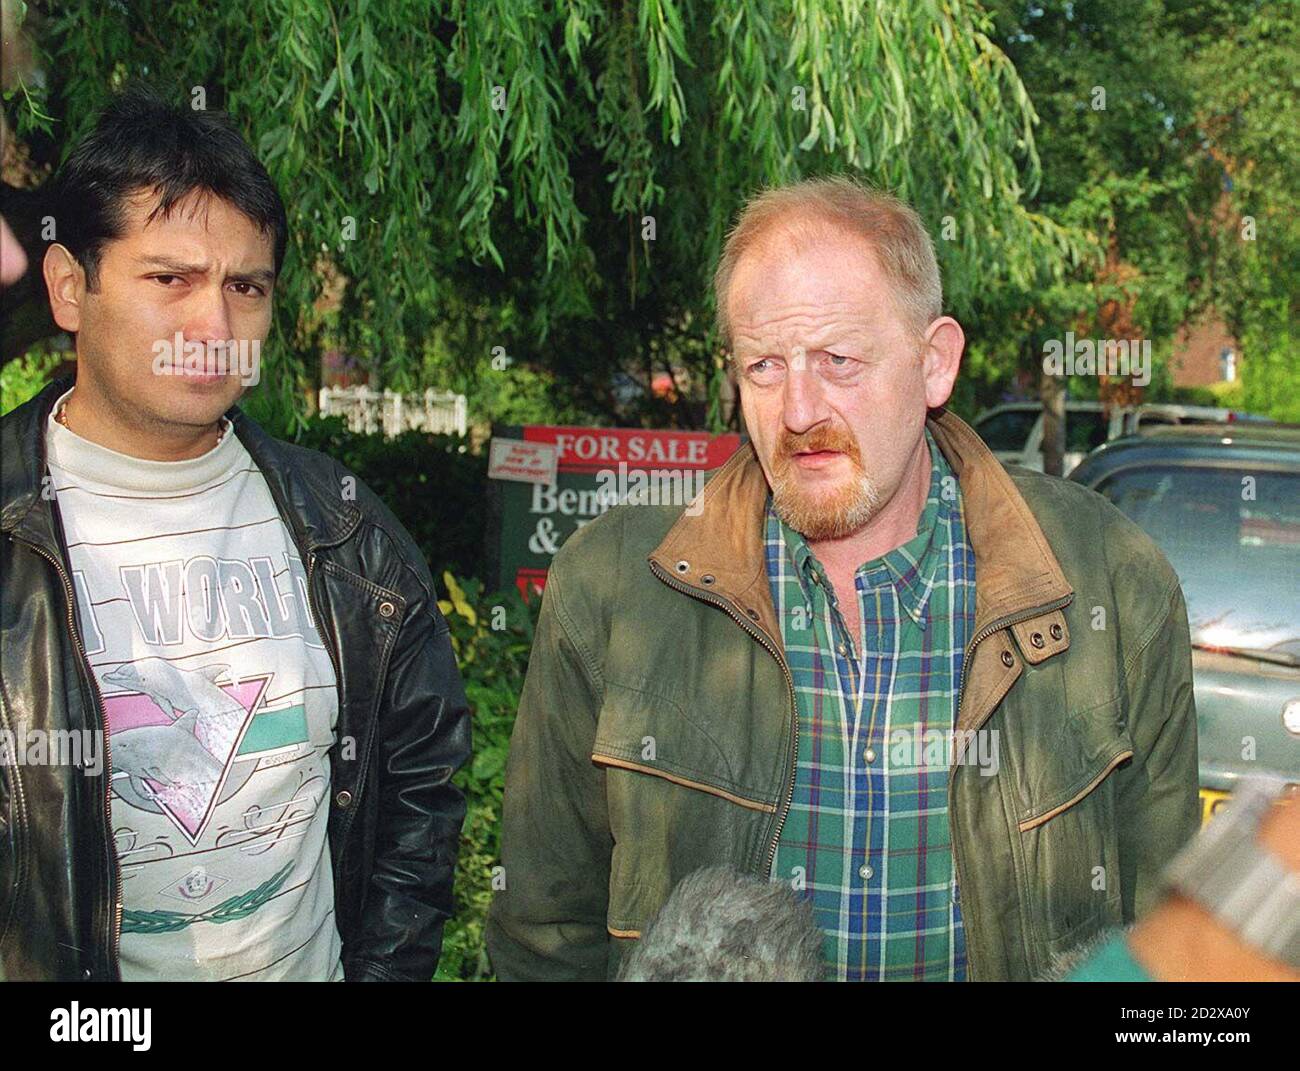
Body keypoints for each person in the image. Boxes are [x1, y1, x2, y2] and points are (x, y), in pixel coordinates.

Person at [487, 176, 1200, 982]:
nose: (798, 409)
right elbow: (545, 932)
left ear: (934, 364)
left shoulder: (1108, 579)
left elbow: (1169, 944)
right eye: (763, 364)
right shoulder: (613, 586)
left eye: (838, 359)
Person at [0, 88, 471, 981]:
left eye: (244, 287)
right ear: (70, 287)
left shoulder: (343, 529)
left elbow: (421, 784)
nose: (213, 327)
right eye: (170, 278)